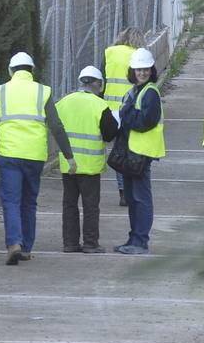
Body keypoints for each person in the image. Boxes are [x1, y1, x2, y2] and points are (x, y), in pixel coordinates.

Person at [0, 51, 74, 265]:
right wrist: (68, 155)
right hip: (34, 155)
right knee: (29, 201)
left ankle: (13, 242)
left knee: (11, 201)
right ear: (32, 70)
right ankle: (25, 248)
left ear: (11, 71)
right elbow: (56, 126)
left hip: (9, 153)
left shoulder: (0, 91)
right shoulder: (43, 91)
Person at [56, 66, 120, 253]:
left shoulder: (63, 102)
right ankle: (90, 243)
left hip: (68, 164)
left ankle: (70, 243)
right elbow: (109, 134)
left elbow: (55, 127)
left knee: (69, 204)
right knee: (90, 205)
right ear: (98, 85)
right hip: (90, 165)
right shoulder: (99, 105)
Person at [114, 47, 164, 255]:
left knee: (141, 198)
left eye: (145, 69)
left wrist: (125, 113)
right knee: (134, 198)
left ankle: (140, 241)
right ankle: (134, 238)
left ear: (151, 70)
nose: (142, 73)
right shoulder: (135, 91)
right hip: (131, 152)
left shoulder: (150, 92)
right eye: (138, 70)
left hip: (141, 153)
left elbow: (144, 121)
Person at [103, 27, 145, 207]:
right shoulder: (139, 55)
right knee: (132, 149)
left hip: (112, 109)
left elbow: (102, 79)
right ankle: (132, 187)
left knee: (118, 150)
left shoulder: (109, 52)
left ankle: (122, 192)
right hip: (131, 109)